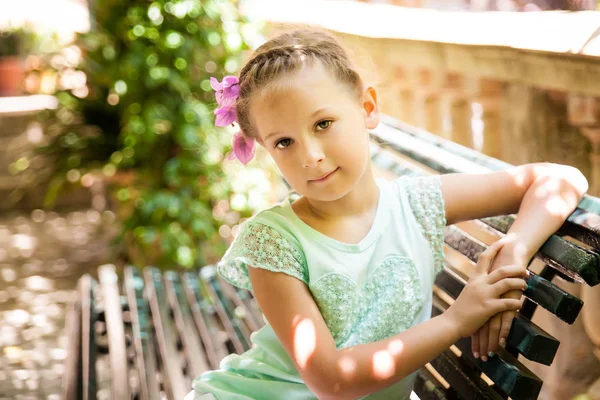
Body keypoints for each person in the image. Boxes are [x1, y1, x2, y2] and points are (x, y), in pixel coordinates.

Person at [185, 26, 588, 400]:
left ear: (368, 106)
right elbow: (330, 380)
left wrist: (515, 250)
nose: (311, 156)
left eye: (323, 124)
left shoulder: (416, 205)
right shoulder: (273, 240)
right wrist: (456, 321)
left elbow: (560, 180)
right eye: (284, 142)